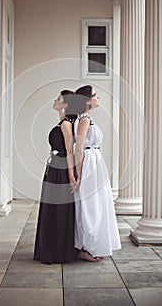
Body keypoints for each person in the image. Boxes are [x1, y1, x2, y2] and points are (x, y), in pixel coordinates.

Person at [72, 85, 121, 260]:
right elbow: (78, 148)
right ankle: (86, 248)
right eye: (95, 95)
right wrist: (78, 175)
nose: (98, 97)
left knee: (97, 205)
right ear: (87, 100)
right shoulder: (84, 119)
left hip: (94, 163)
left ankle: (93, 245)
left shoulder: (86, 118)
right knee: (90, 207)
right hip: (88, 165)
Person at [33, 90, 78, 264]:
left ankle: (58, 251)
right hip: (54, 168)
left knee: (58, 209)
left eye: (58, 99)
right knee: (51, 208)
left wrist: (71, 177)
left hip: (60, 170)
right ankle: (49, 248)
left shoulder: (66, 124)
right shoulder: (62, 122)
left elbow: (69, 152)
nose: (55, 100)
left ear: (65, 105)